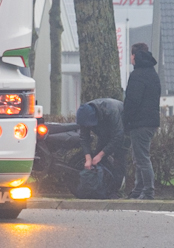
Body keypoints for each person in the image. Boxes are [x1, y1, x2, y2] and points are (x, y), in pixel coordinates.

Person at [121, 44, 162, 200]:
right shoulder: (152, 73)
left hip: (139, 122)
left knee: (142, 158)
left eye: (131, 55)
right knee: (139, 157)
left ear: (134, 56)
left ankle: (148, 191)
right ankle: (138, 190)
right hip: (151, 121)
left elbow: (132, 101)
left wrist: (125, 120)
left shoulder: (137, 75)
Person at [69, 97, 128, 200]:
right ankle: (99, 190)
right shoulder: (84, 114)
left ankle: (117, 192)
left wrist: (101, 154)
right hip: (104, 132)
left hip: (123, 129)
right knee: (97, 160)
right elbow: (84, 138)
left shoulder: (111, 110)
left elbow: (118, 136)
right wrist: (88, 158)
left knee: (119, 159)